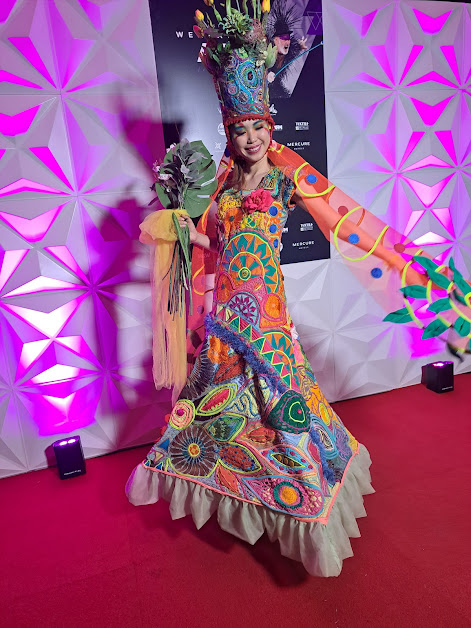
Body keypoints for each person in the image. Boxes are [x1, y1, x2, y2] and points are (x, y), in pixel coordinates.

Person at [126, 1, 464, 577]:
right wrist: (179, 228)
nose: (251, 138)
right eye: (240, 129)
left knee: (287, 405)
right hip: (225, 318)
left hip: (267, 317)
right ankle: (236, 487)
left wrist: (399, 260)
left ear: (270, 127)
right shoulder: (222, 186)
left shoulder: (287, 178)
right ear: (229, 132)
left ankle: (306, 497)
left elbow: (341, 221)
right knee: (212, 406)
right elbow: (215, 246)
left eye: (259, 126)